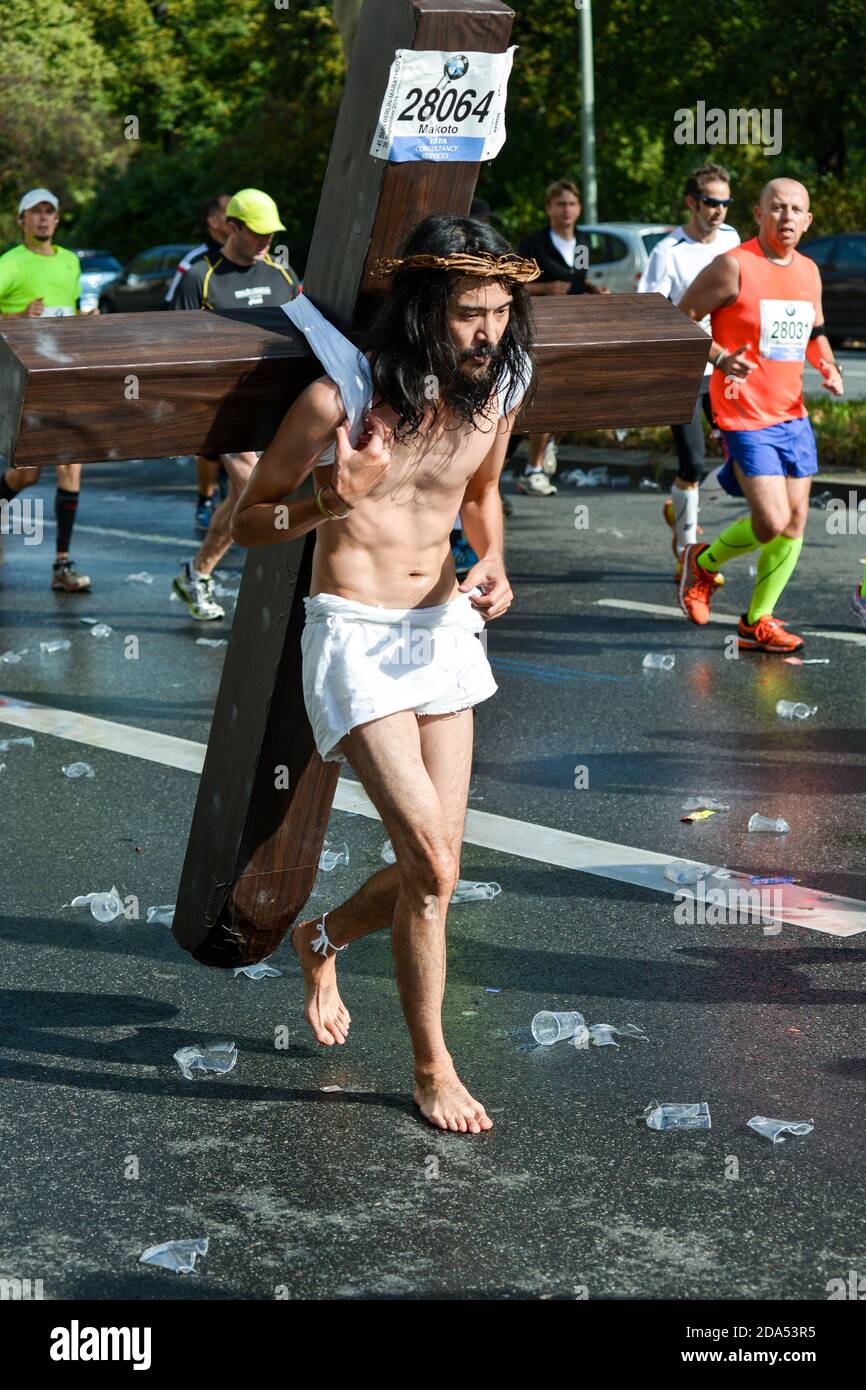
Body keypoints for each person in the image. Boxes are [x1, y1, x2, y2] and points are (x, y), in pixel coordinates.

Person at [230, 215, 538, 1133]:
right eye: (468, 315)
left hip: (442, 628)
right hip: (356, 636)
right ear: (422, 313)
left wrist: (495, 563)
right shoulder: (340, 402)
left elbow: (481, 499)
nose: (487, 333)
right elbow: (252, 522)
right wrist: (333, 495)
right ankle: (432, 1066)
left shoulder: (500, 390)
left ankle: (320, 938)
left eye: (499, 312)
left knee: (432, 872)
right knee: (434, 863)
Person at [677, 179, 843, 652]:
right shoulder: (733, 266)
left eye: (796, 210)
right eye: (777, 208)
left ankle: (757, 620)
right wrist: (721, 357)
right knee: (770, 521)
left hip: (792, 413)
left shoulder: (809, 271)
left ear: (808, 220)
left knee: (795, 523)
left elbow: (815, 332)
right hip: (743, 412)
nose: (787, 217)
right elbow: (682, 318)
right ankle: (704, 563)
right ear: (758, 214)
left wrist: (826, 365)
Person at [171, 188, 301, 620]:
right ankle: (282, 591)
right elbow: (175, 347)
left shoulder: (281, 275)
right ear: (232, 227)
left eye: (271, 234)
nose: (266, 241)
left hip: (277, 405)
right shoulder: (200, 277)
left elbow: (305, 337)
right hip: (222, 408)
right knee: (254, 489)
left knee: (248, 498)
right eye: (258, 233)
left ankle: (198, 570)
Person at [638, 164, 740, 582]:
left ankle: (680, 503)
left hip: (726, 366)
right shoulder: (668, 250)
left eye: (725, 203)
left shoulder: (733, 240)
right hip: (683, 369)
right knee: (694, 462)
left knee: (741, 462)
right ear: (691, 203)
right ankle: (687, 550)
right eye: (711, 203)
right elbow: (650, 310)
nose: (718, 211)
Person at [0, 188, 95, 592]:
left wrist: (85, 320)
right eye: (34, 213)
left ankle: (62, 565)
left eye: (49, 213)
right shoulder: (10, 263)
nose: (42, 219)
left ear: (57, 220)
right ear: (21, 219)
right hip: (23, 381)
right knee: (27, 475)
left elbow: (68, 312)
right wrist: (18, 316)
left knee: (72, 465)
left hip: (64, 376)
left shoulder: (71, 262)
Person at [517, 179, 609, 496]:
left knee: (564, 394)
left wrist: (594, 291)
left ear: (579, 208)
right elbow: (514, 286)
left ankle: (545, 446)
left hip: (573, 327)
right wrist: (546, 289)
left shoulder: (583, 241)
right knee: (542, 394)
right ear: (548, 208)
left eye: (571, 204)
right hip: (539, 328)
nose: (566, 210)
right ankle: (533, 467)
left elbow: (577, 279)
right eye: (560, 204)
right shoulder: (534, 244)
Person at [165, 193, 231, 530]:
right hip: (209, 365)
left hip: (244, 366)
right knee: (211, 443)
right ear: (214, 221)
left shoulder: (256, 259)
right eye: (228, 212)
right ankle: (204, 501)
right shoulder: (195, 261)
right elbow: (174, 311)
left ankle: (232, 497)